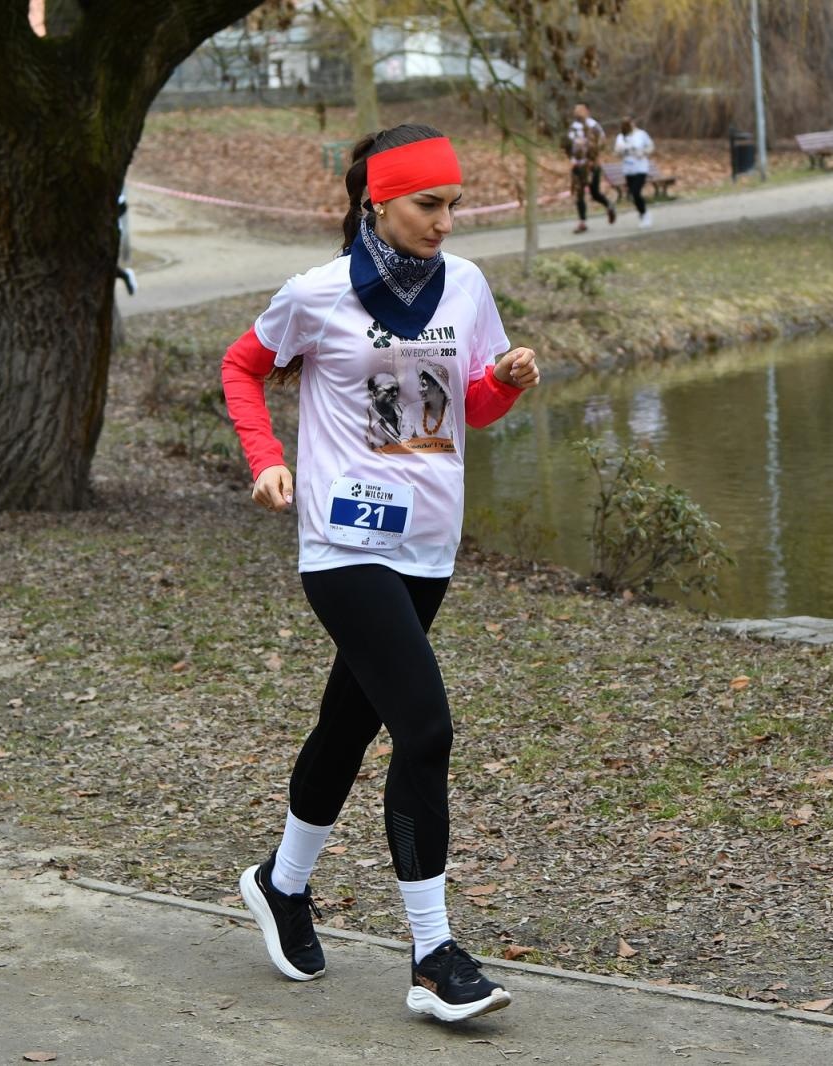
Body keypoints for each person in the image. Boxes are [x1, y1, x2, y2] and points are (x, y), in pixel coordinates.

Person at [220, 123, 540, 1023]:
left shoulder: (467, 286)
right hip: (345, 542)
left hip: (428, 546)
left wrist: (507, 378)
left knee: (347, 726)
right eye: (427, 205)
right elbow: (242, 368)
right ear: (379, 202)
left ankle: (281, 885)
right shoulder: (316, 295)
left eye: (451, 205)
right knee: (426, 729)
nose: (444, 221)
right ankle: (434, 955)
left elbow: (467, 404)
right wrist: (264, 456)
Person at [565, 103, 615, 234]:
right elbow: (569, 146)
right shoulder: (573, 128)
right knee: (579, 193)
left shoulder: (594, 126)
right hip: (578, 165)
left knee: (594, 193)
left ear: (587, 111)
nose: (577, 112)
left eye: (580, 110)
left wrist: (595, 158)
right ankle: (582, 222)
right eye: (575, 110)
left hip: (591, 165)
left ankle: (609, 205)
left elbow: (602, 144)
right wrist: (572, 159)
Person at [613, 116, 656, 229]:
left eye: (629, 124)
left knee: (636, 192)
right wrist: (621, 150)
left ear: (633, 123)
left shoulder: (641, 134)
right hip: (628, 169)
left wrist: (643, 152)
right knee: (632, 194)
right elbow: (616, 152)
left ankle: (645, 215)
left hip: (641, 168)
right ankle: (642, 213)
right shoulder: (621, 137)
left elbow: (650, 146)